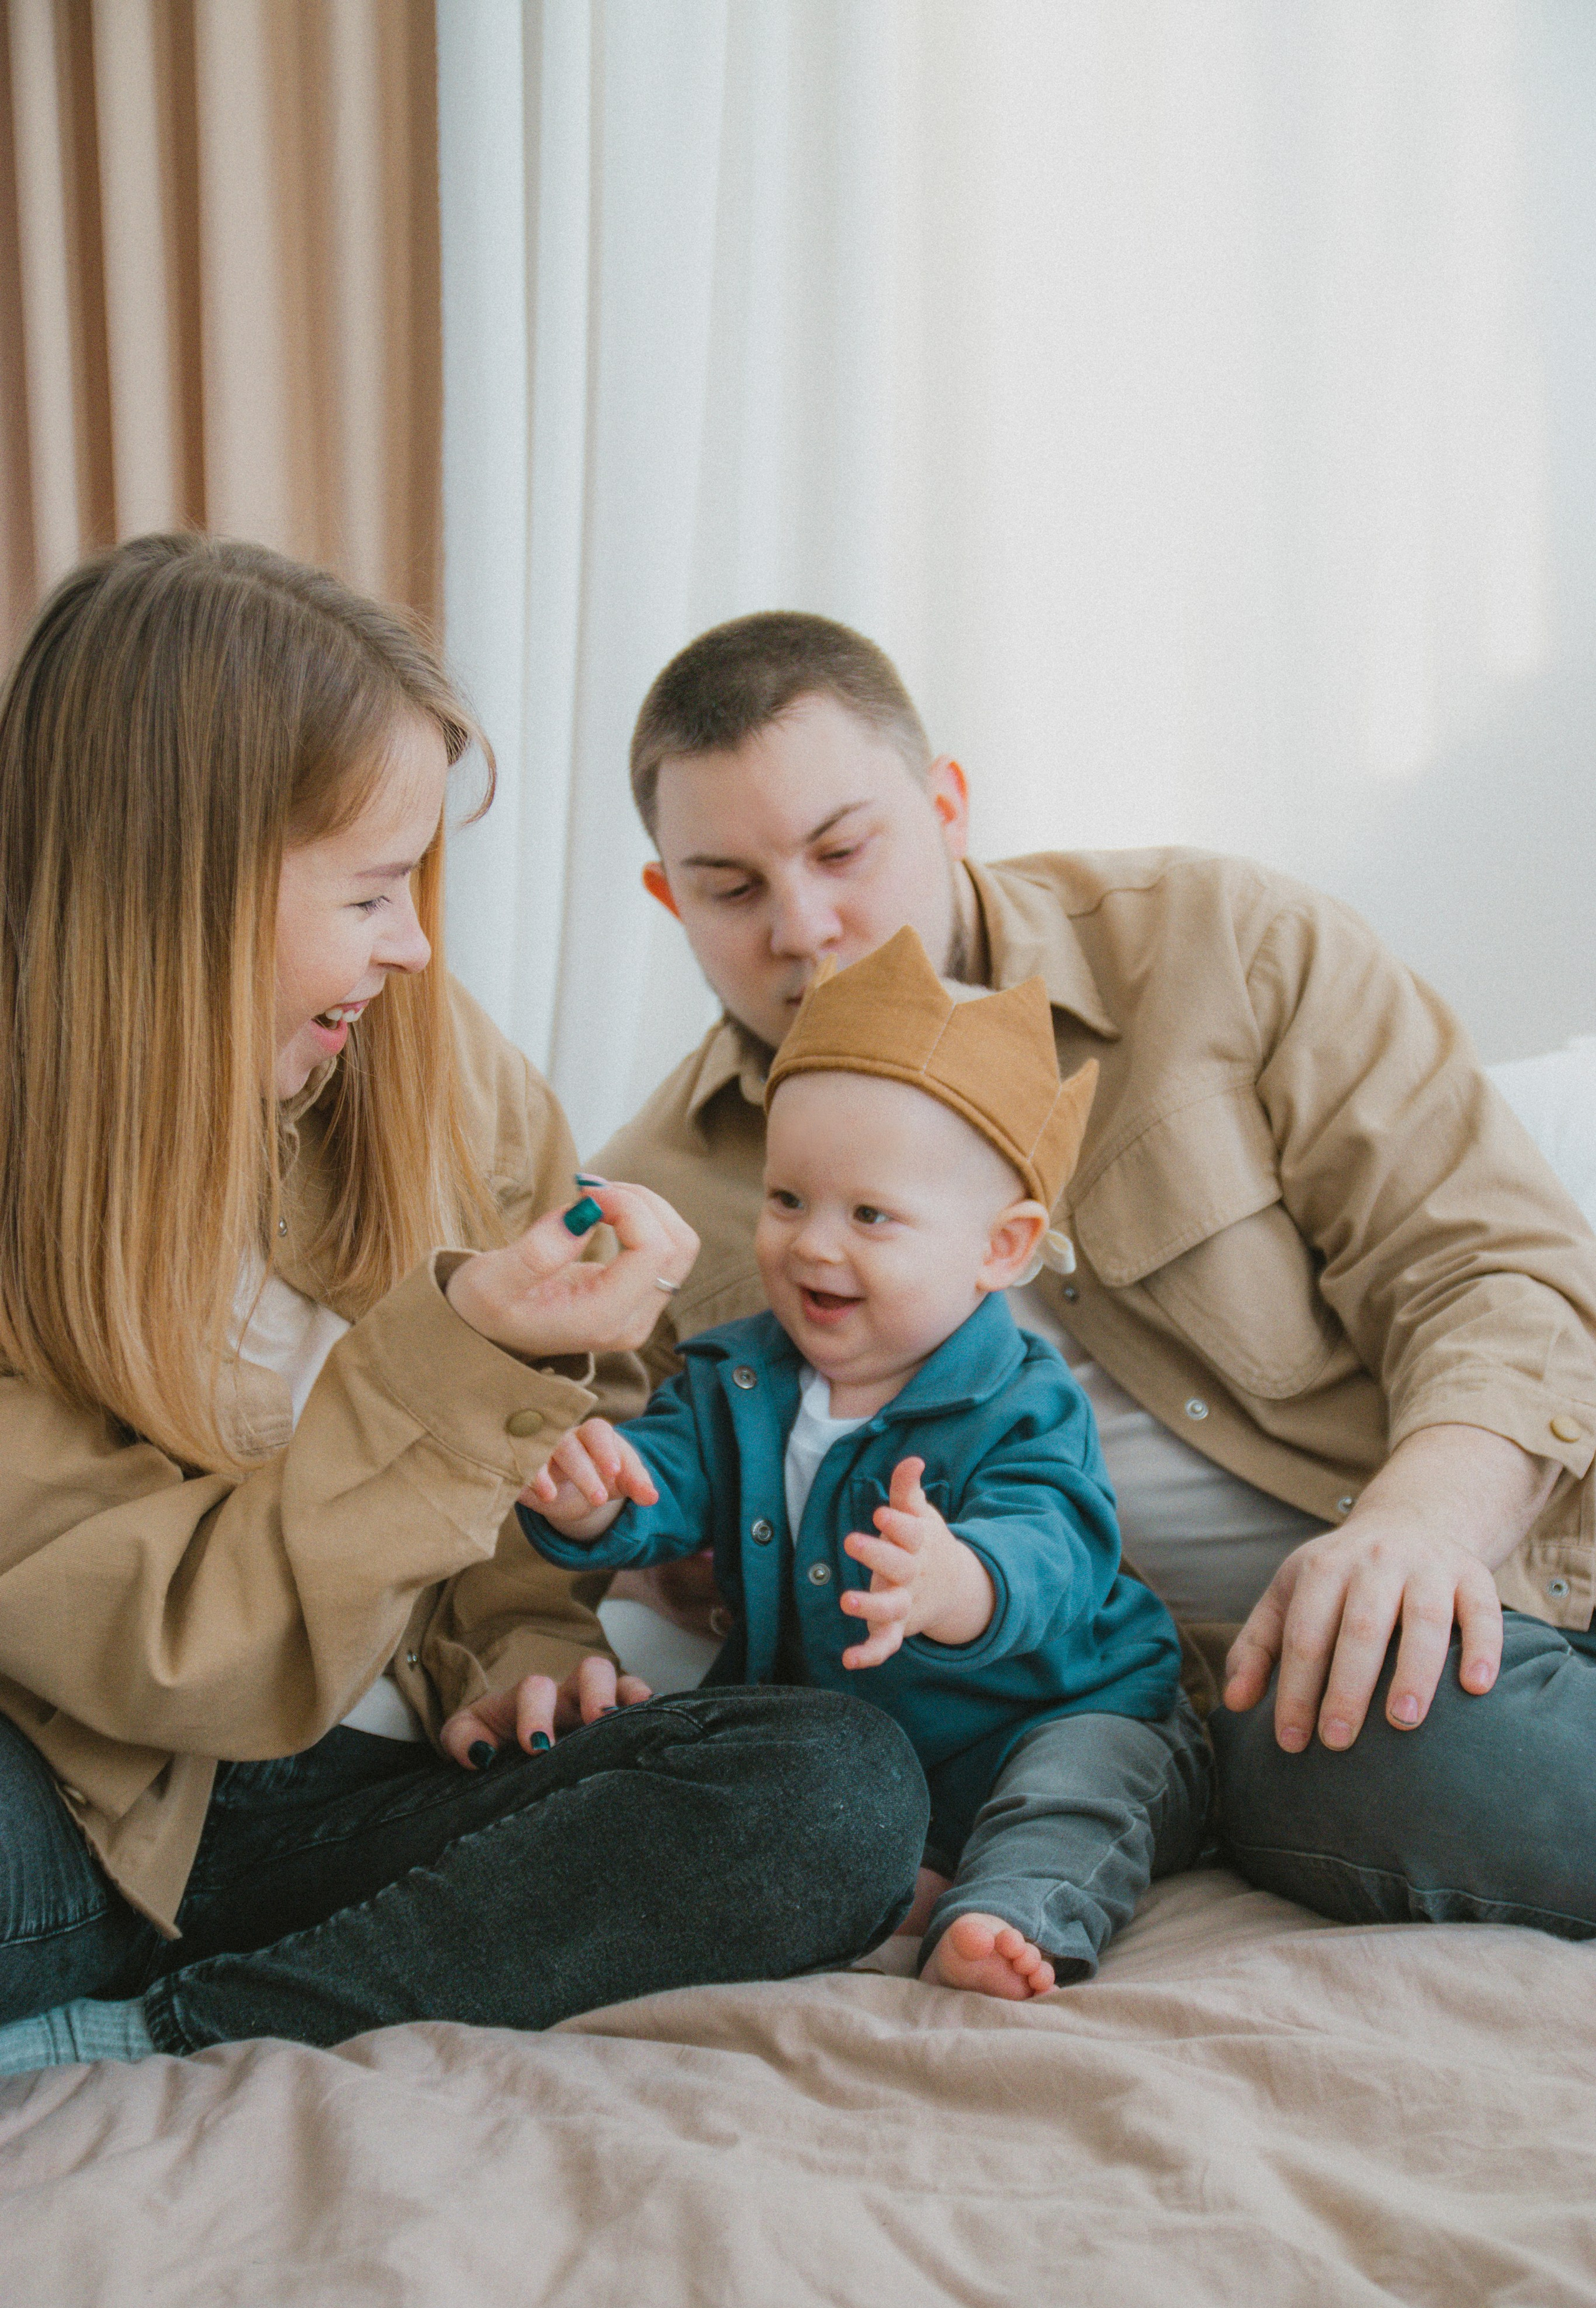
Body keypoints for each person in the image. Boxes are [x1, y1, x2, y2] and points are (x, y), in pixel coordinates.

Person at [0, 542, 926, 2077]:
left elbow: (534, 1503)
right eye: (368, 892)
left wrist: (515, 1651)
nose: (412, 945)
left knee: (832, 1792)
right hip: (90, 1792)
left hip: (387, 1789)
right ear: (186, 883)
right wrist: (464, 1355)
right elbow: (169, 1654)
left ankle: (164, 2030)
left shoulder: (429, 1058)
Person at [592, 609, 1596, 1938]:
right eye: (729, 887)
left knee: (1403, 1685)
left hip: (1500, 1564)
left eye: (844, 850)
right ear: (667, 895)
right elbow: (578, 1510)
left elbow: (1492, 1268)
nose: (807, 929)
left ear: (945, 805)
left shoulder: (1222, 948)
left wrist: (1415, 1531)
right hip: (1207, 1715)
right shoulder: (658, 1200)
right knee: (1382, 1737)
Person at [521, 929, 1211, 1998]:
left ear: (1002, 1247)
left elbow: (1058, 1543)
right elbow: (667, 1471)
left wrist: (961, 1581)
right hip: (869, 1745)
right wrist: (590, 1502)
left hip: (1067, 1704)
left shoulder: (1022, 1399)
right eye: (788, 1199)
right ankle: (907, 1876)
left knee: (1080, 1792)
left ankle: (1010, 1911)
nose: (812, 1245)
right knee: (730, 1765)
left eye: (871, 1216)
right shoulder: (739, 1375)